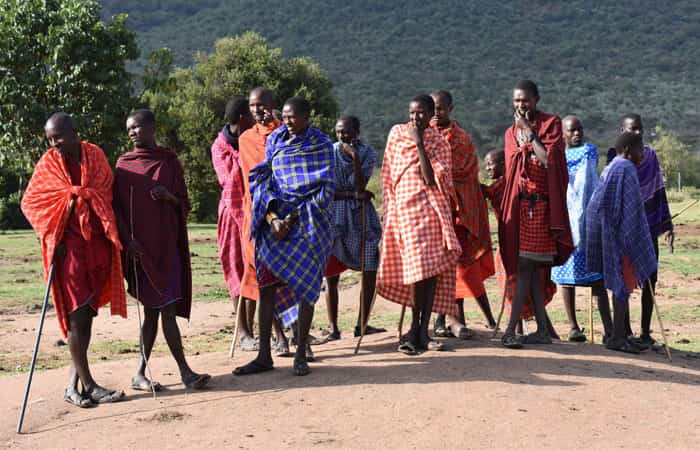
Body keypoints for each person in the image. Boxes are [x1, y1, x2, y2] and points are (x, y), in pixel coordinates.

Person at [21, 112, 127, 407]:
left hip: (96, 245)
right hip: (68, 250)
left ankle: (72, 385)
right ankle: (90, 385)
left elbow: (106, 190)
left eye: (59, 136)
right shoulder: (49, 164)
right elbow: (30, 203)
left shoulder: (94, 155)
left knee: (87, 315)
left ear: (74, 131)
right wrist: (58, 223)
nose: (54, 144)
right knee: (77, 315)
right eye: (50, 139)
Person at [234, 96, 334, 376]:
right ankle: (264, 355)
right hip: (274, 227)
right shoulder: (276, 139)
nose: (288, 122)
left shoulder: (322, 145)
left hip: (307, 225)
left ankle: (301, 352)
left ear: (307, 116)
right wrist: (273, 218)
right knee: (266, 289)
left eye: (293, 117)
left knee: (305, 290)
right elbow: (262, 179)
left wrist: (291, 219)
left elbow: (325, 189)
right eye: (285, 117)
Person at [113, 109, 210, 390]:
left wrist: (169, 197)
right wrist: (127, 240)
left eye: (138, 127)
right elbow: (116, 208)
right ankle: (183, 372)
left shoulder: (169, 162)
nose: (132, 132)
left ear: (152, 128)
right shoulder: (123, 165)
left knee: (160, 311)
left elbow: (184, 204)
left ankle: (142, 373)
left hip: (168, 248)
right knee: (159, 310)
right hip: (141, 251)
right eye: (129, 128)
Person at [378, 94, 461, 355]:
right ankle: (414, 327)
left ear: (430, 114)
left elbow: (430, 178)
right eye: (412, 113)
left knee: (429, 272)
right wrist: (388, 210)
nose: (415, 118)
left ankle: (422, 330)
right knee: (415, 272)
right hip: (405, 213)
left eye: (421, 113)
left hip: (431, 213)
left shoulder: (438, 142)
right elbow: (388, 174)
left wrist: (420, 145)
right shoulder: (396, 134)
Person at [499, 80, 574, 348]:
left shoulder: (550, 124)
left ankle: (510, 330)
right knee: (527, 270)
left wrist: (529, 132)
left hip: (542, 208)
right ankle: (542, 329)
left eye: (526, 100)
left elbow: (548, 161)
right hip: (520, 208)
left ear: (536, 99)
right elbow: (510, 172)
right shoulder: (510, 134)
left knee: (525, 268)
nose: (521, 105)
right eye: (517, 101)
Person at [430, 90, 496, 339]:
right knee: (435, 269)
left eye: (441, 108)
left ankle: (457, 320)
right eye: (433, 108)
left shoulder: (461, 139)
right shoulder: (423, 136)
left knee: (460, 266)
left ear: (451, 108)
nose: (437, 113)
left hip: (458, 214)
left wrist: (442, 177)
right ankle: (443, 320)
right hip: (431, 213)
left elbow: (467, 172)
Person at [585, 132, 657, 354]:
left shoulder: (613, 166)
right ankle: (617, 337)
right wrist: (634, 237)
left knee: (620, 284)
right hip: (619, 235)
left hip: (606, 231)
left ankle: (620, 334)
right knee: (622, 284)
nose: (642, 154)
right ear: (627, 149)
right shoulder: (625, 168)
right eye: (639, 149)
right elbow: (632, 209)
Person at [607, 113, 674, 348]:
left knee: (650, 279)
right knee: (624, 280)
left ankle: (645, 332)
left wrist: (666, 223)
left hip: (648, 228)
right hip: (624, 231)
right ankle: (623, 331)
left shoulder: (651, 156)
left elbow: (658, 190)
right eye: (631, 129)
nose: (636, 133)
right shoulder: (614, 157)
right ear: (621, 131)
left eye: (639, 129)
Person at [237, 87, 290, 355]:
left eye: (261, 104)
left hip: (289, 214)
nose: (257, 109)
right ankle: (280, 337)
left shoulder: (287, 133)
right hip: (259, 214)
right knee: (264, 276)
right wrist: (269, 214)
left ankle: (297, 338)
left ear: (273, 105)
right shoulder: (246, 139)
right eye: (252, 105)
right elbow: (253, 180)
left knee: (290, 277)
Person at [323, 115, 385, 340]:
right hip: (335, 215)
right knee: (331, 274)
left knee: (369, 267)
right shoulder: (328, 152)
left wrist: (355, 159)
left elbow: (361, 185)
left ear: (357, 132)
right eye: (339, 132)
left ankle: (362, 323)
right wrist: (351, 195)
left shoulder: (367, 153)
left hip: (360, 216)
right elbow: (327, 190)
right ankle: (333, 327)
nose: (343, 136)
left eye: (347, 132)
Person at [551, 116, 613, 342]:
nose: (577, 134)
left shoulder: (589, 150)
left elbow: (588, 183)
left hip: (589, 224)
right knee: (566, 279)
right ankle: (573, 327)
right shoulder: (557, 156)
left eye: (580, 129)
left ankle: (609, 329)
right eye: (572, 130)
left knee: (598, 280)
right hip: (565, 224)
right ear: (563, 134)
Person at [210, 96, 255, 350]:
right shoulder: (219, 147)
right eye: (251, 114)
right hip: (232, 214)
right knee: (236, 270)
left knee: (254, 269)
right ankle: (243, 332)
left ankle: (252, 327)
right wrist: (246, 156)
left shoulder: (255, 140)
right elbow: (229, 181)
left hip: (254, 212)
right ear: (241, 118)